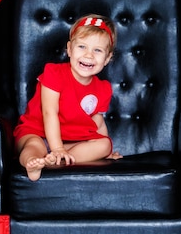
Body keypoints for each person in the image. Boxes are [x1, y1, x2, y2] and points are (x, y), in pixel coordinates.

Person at [13, 14, 122, 181]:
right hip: (37, 133)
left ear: (107, 59)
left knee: (104, 144)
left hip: (70, 142)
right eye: (82, 47)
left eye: (97, 50)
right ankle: (32, 163)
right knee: (33, 146)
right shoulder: (54, 73)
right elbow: (49, 112)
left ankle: (55, 162)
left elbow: (97, 121)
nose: (89, 55)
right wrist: (56, 148)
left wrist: (105, 151)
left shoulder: (103, 88)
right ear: (69, 49)